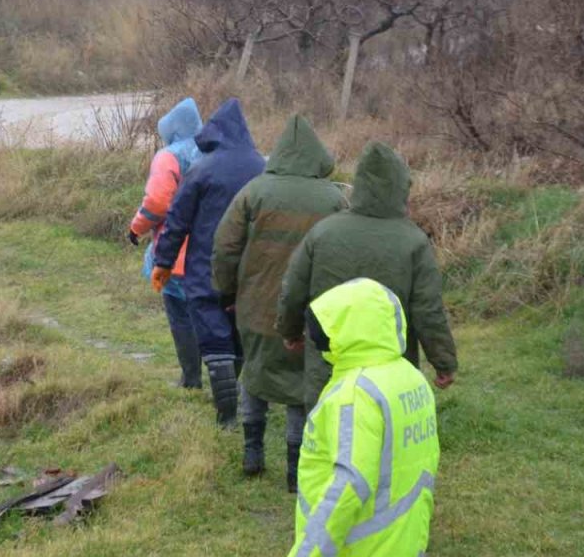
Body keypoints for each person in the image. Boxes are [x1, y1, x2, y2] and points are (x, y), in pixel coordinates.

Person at [211, 115, 345, 485]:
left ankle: (252, 452)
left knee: (254, 374)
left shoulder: (254, 191)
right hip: (311, 313)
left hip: (254, 306)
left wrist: (227, 291)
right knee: (301, 386)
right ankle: (294, 468)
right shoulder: (334, 198)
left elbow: (225, 247)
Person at [277, 141, 458, 411]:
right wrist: (443, 361)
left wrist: (290, 331)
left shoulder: (322, 233)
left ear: (358, 186)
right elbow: (427, 311)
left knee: (326, 438)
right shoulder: (414, 242)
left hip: (330, 370)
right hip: (390, 377)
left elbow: (293, 290)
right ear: (401, 188)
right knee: (383, 443)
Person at [288, 278, 440, 556]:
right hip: (404, 538)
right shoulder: (410, 377)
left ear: (347, 330)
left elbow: (349, 484)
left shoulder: (355, 394)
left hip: (360, 547)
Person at [153, 98, 266, 428]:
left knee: (214, 338)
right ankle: (238, 402)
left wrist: (163, 261)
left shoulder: (203, 168)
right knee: (238, 334)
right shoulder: (262, 167)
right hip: (249, 269)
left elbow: (177, 220)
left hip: (205, 265)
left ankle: (226, 415)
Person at [128, 98, 206, 389]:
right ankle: (226, 379)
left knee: (179, 313)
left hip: (176, 254)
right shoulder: (212, 150)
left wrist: (136, 228)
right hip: (213, 250)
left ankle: (190, 378)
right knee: (210, 313)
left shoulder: (169, 155)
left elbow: (158, 202)